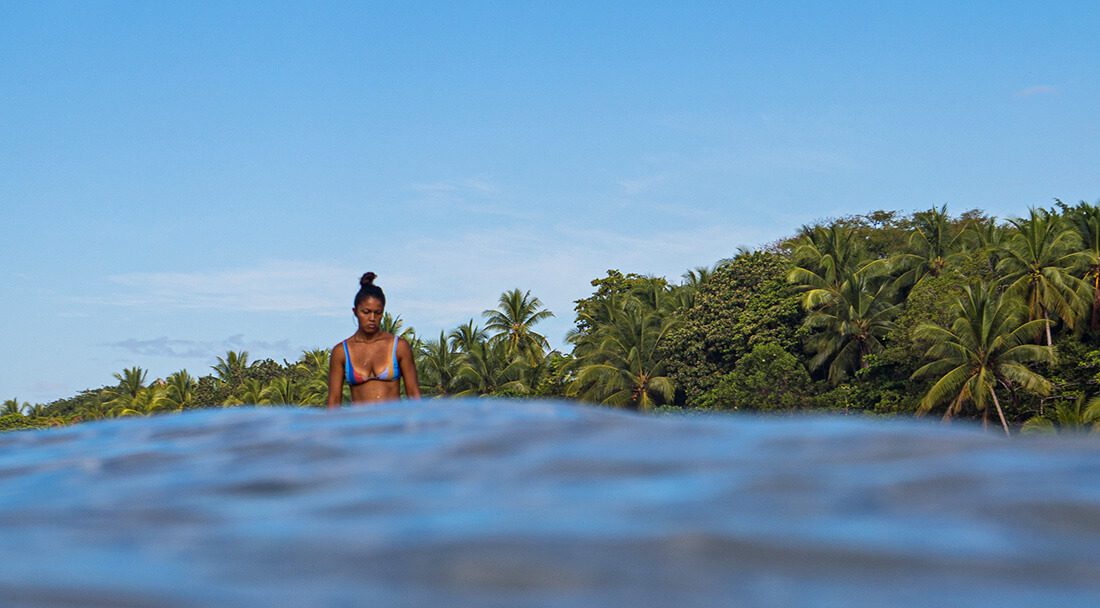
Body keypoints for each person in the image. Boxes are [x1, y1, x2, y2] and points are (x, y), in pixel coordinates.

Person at [327, 272, 421, 407]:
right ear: (355, 312)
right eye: (366, 312)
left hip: (394, 425)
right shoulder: (341, 352)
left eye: (377, 313)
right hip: (360, 426)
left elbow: (413, 394)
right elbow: (334, 401)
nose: (372, 318)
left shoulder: (399, 347)